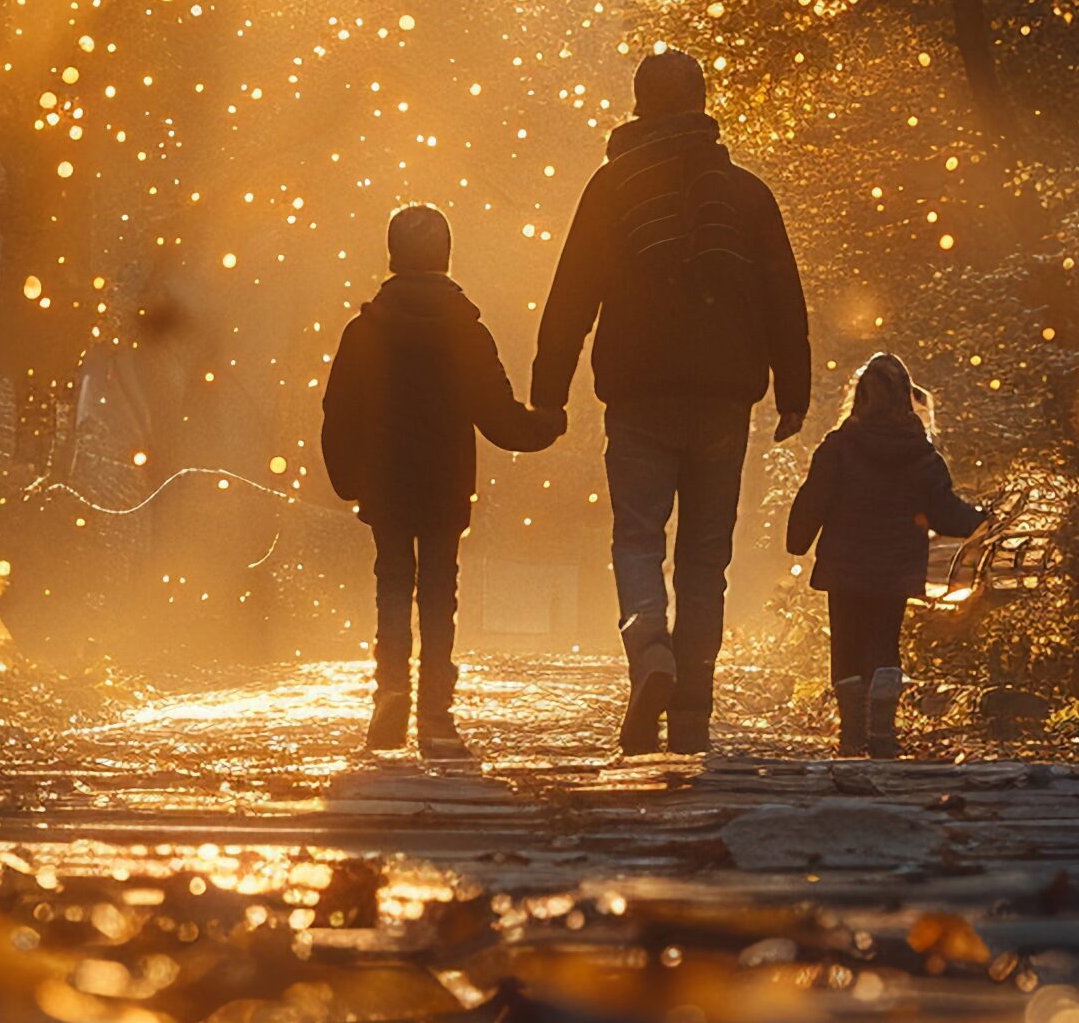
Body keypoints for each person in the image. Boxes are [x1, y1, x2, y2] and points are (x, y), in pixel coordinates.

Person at [531, 48, 811, 755]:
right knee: (705, 559)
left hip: (638, 393)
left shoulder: (612, 187)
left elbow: (572, 294)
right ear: (701, 101)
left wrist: (548, 391)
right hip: (722, 399)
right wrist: (794, 390)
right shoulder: (746, 194)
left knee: (636, 536)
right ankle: (692, 710)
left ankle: (650, 646)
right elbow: (783, 294)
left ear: (637, 105)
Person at [322, 204, 563, 758]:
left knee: (391, 583)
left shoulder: (364, 331)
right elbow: (498, 415)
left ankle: (390, 692)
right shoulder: (466, 333)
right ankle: (435, 712)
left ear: (392, 256)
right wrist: (547, 425)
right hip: (445, 483)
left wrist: (348, 477)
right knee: (438, 592)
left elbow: (339, 410)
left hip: (385, 484)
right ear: (446, 256)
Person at [785, 352, 985, 758]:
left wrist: (798, 540)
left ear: (859, 398)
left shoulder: (838, 447)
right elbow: (946, 513)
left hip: (845, 568)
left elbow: (814, 500)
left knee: (846, 646)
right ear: (905, 399)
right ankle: (883, 733)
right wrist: (983, 520)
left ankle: (851, 735)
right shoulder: (923, 458)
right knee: (883, 643)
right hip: (894, 571)